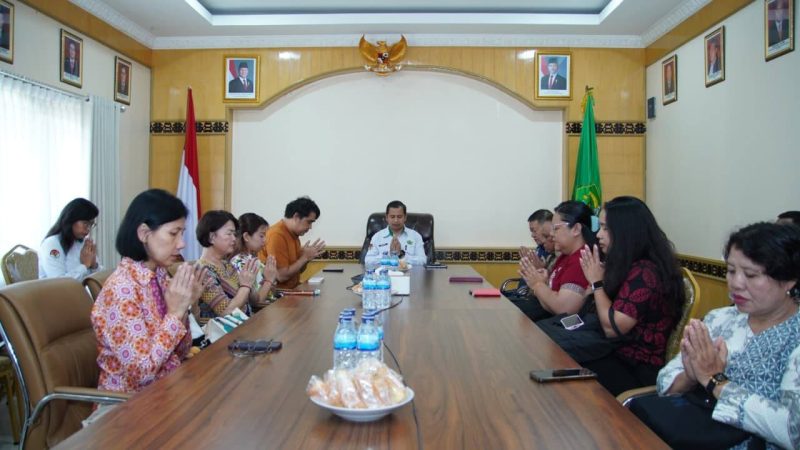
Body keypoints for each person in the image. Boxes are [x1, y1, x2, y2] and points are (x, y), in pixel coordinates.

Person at [651, 222, 800, 450]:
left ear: (789, 280)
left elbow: (793, 431)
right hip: (690, 432)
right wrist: (690, 376)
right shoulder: (719, 318)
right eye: (731, 271)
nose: (736, 283)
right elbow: (664, 381)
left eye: (751, 274)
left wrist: (715, 380)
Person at [92, 189, 206, 396]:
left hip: (168, 390)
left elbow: (181, 351)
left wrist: (186, 306)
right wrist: (175, 314)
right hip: (129, 404)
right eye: (173, 233)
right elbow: (142, 374)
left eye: (182, 233)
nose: (182, 243)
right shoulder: (121, 290)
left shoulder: (160, 277)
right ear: (144, 233)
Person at [578, 196, 686, 395]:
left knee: (567, 366)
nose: (598, 235)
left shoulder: (645, 271)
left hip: (636, 368)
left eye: (606, 228)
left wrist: (597, 283)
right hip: (616, 355)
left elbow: (613, 328)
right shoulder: (629, 265)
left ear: (626, 232)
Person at [519, 201, 594, 321]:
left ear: (576, 229)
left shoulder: (582, 259)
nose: (551, 234)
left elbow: (563, 310)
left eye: (556, 228)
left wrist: (538, 284)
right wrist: (541, 283)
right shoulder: (565, 256)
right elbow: (549, 305)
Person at [196, 210, 262, 321]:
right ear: (211, 237)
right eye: (229, 233)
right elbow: (226, 311)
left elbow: (254, 301)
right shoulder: (203, 271)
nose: (234, 239)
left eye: (234, 234)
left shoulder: (227, 265)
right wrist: (245, 286)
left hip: (247, 324)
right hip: (226, 330)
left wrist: (250, 284)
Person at [259, 197, 325, 289]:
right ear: (296, 217)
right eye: (309, 222)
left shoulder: (294, 234)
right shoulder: (277, 235)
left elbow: (296, 272)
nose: (310, 227)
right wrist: (304, 257)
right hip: (278, 295)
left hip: (292, 290)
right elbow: (281, 276)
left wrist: (305, 258)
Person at [39, 198, 102, 280]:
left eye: (91, 224)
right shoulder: (52, 244)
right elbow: (58, 282)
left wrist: (94, 265)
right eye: (85, 223)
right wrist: (85, 265)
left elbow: (100, 280)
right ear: (71, 219)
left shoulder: (83, 243)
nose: (88, 229)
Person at [230, 213, 279, 304]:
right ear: (246, 237)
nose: (265, 240)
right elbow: (256, 302)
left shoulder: (253, 259)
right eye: (261, 236)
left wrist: (271, 283)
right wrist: (268, 281)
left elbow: (270, 292)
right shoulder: (239, 262)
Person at [364, 200, 427, 267]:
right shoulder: (377, 237)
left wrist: (401, 255)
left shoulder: (415, 236)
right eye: (392, 217)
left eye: (399, 217)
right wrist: (389, 255)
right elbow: (368, 260)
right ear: (387, 217)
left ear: (405, 217)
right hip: (385, 273)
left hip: (408, 273)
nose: (396, 220)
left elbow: (423, 261)